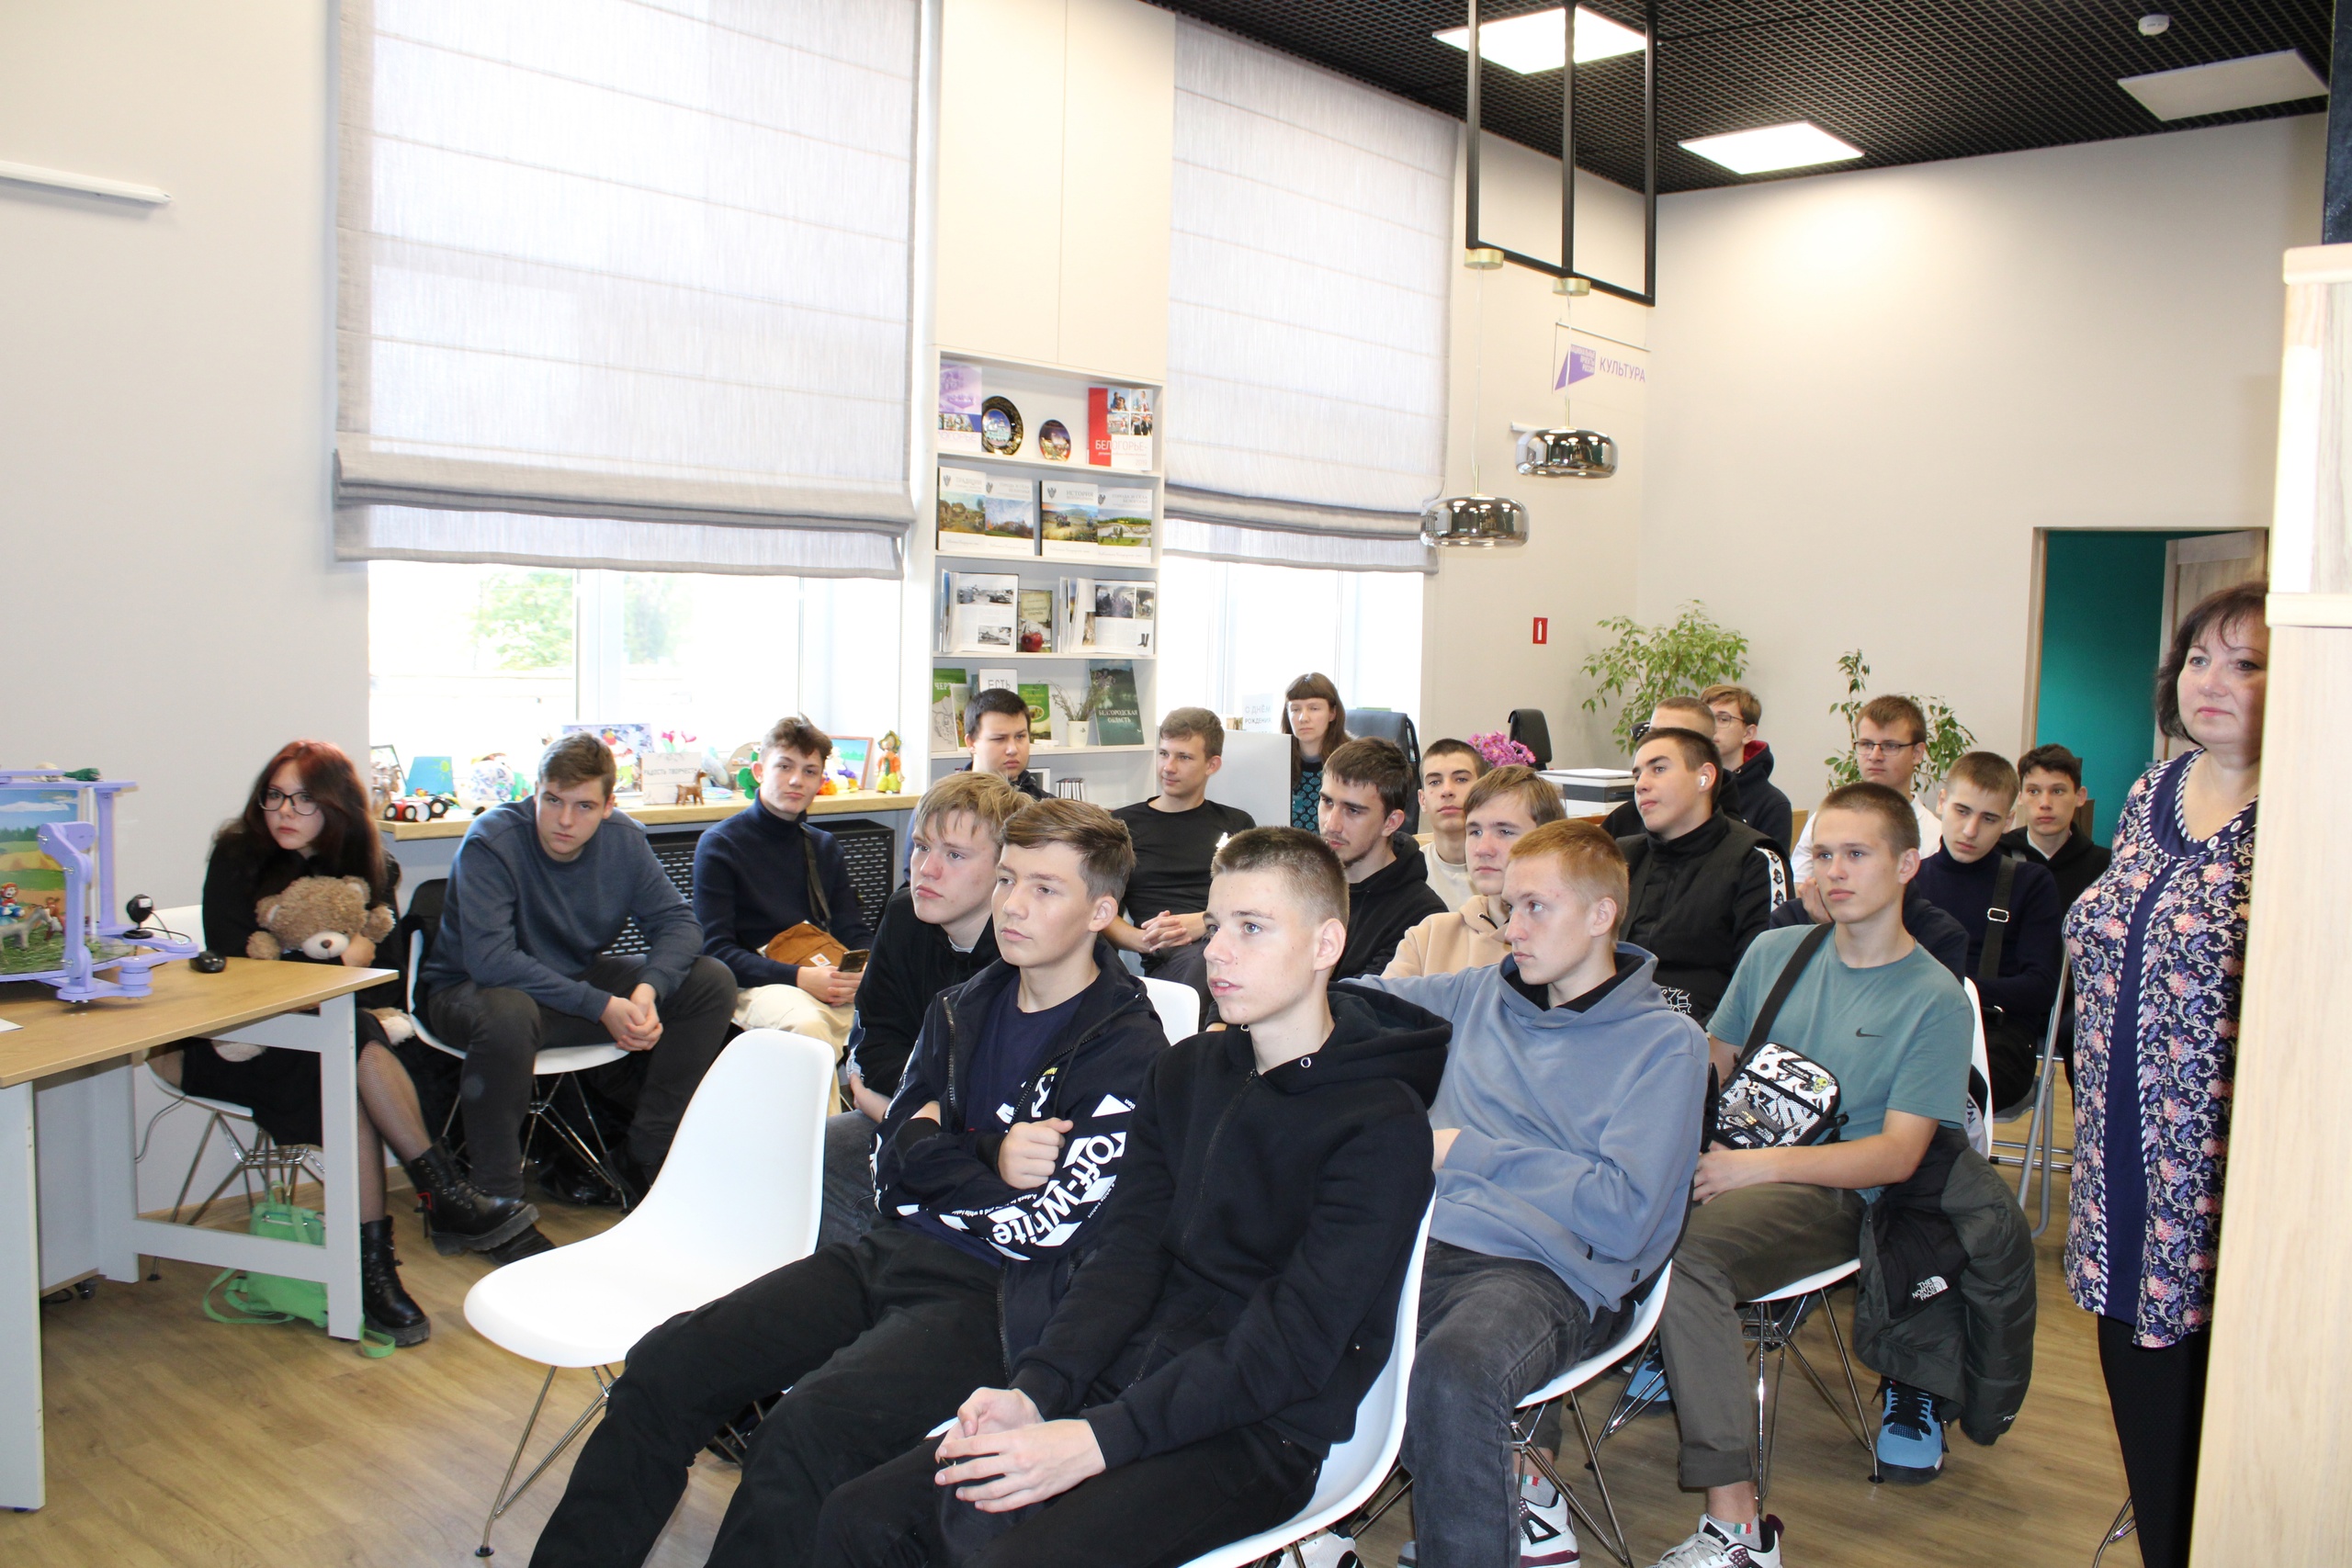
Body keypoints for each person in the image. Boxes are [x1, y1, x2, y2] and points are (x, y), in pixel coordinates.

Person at [527, 798, 1166, 1568]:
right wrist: (989, 1155)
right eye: (1006, 879)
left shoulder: (1127, 1048)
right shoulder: (960, 1007)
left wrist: (936, 1147)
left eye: (1044, 887)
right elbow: (892, 1164)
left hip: (1000, 1299)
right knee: (664, 1365)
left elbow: (1048, 1224)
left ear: (1101, 911)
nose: (1013, 905)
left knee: (802, 1434)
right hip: (891, 1248)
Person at [811, 828, 1444, 1568]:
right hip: (1122, 1379)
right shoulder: (1188, 1071)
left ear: (1325, 943)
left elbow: (1290, 1347)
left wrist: (1096, 1440)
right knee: (862, 1517)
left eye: (1251, 927)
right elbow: (1125, 1256)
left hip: (1256, 1430)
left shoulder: (1380, 1125)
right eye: (1215, 925)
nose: (1217, 951)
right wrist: (1038, 1391)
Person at [1355, 820, 1710, 1568]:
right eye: (1509, 907)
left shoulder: (1666, 1043)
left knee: (1453, 1373)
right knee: (1270, 1308)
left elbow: (1625, 1213)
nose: (1512, 927)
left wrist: (1469, 1151)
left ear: (1601, 913)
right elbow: (1358, 1000)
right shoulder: (1476, 994)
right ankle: (1311, 1527)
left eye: (1535, 907)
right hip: (1422, 1239)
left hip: (1552, 1272)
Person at [1647, 784, 1973, 1568]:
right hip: (1732, 1159)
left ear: (1907, 864)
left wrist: (1752, 1168)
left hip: (1837, 1193)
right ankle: (1531, 1474)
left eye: (1856, 853)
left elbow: (1896, 1155)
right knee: (1580, 1215)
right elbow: (1710, 1067)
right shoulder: (1776, 953)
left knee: (1686, 1259)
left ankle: (1738, 1528)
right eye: (1823, 854)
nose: (1834, 871)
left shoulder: (1935, 998)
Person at [155, 741, 537, 1345]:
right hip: (243, 1043)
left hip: (331, 1042)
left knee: (349, 1052)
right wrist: (335, 964)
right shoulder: (237, 857)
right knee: (352, 1043)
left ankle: (374, 1269)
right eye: (275, 795)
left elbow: (384, 978)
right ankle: (438, 1200)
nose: (286, 810)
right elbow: (239, 971)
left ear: (336, 807)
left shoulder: (371, 867)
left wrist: (329, 972)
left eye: (304, 799)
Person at [2064, 582, 2266, 1568]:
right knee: (2132, 1366)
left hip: (2221, 1167)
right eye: (2198, 658)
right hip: (2116, 1147)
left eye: (2246, 663)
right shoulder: (2155, 791)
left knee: (2208, 1391)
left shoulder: (2310, 810)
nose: (2211, 680)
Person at [418, 734, 736, 1255]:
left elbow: (679, 923)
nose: (564, 820)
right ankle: (495, 1204)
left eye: (584, 806)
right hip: (470, 992)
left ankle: (646, 1154)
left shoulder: (623, 840)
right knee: (508, 1011)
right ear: (535, 792)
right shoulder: (493, 840)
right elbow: (491, 961)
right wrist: (601, 1006)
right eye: (553, 800)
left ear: (609, 806)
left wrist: (647, 990)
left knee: (710, 980)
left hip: (566, 986)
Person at [820, 772, 1022, 1248]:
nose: (926, 869)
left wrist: (898, 1110)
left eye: (954, 855)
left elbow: (1003, 1095)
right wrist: (912, 1113)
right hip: (913, 1121)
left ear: (1004, 869)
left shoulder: (1025, 945)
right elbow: (874, 1046)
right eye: (920, 847)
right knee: (815, 1151)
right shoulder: (904, 915)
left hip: (1001, 1149)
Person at [692, 716, 876, 1052]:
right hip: (754, 983)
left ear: (820, 781)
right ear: (759, 772)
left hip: (822, 973)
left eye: (810, 771)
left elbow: (853, 930)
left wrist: (863, 969)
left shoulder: (824, 847)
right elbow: (715, 952)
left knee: (902, 1005)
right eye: (784, 766)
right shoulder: (720, 846)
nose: (796, 780)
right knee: (808, 1027)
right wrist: (800, 978)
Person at [1912, 751, 2062, 1112]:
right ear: (1942, 802)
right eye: (1962, 811)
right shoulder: (1909, 879)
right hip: (1912, 1030)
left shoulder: (2031, 883)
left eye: (1989, 818)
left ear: (2008, 821)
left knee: (1925, 1082)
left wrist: (1958, 987)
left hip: (1997, 1038)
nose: (1970, 830)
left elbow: (2041, 988)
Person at [1616, 727, 1790, 1020]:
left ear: (1705, 777)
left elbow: (1763, 982)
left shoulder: (1755, 859)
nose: (1641, 785)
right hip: (1615, 1022)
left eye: (1659, 769)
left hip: (1707, 1033)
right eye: (1637, 775)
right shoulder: (1622, 857)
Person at [1105, 706, 1255, 1004]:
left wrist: (1206, 921)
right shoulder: (1122, 825)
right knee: (1206, 963)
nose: (1168, 767)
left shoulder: (1236, 823)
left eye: (1183, 757)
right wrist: (1144, 941)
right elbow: (1100, 908)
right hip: (1168, 955)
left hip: (1229, 938)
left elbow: (1255, 899)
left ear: (1212, 764)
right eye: (1164, 754)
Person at [1386, 765, 1565, 979]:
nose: (1482, 849)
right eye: (1475, 831)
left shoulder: (1567, 941)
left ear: (1547, 841)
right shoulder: (1428, 937)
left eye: (1505, 831)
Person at [1318, 737, 1448, 981]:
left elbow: (1359, 1001)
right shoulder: (1304, 886)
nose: (1331, 824)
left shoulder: (1422, 918)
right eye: (1327, 802)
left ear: (1391, 822)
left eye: (1352, 810)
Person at [1787, 695, 1941, 883]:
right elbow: (1798, 886)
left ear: (1917, 753)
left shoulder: (1935, 837)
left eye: (1890, 746)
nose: (1875, 756)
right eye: (1867, 744)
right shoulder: (1827, 818)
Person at [1602, 696, 1747, 839]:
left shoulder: (1739, 843)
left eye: (1673, 735)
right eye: (1652, 733)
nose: (1655, 743)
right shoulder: (1622, 823)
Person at [2000, 743, 2112, 908]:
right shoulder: (1997, 856)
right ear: (2021, 797)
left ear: (2080, 796)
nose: (2045, 803)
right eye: (2033, 791)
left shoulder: (2106, 868)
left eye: (2057, 791)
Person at [1701, 683, 1792, 852]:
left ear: (1748, 733)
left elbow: (1769, 865)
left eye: (1723, 719)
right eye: (1706, 718)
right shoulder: (1688, 788)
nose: (1711, 727)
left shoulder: (1772, 804)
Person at [1417, 738, 1489, 908]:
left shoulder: (1507, 868)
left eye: (1461, 779)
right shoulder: (1409, 872)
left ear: (1483, 792)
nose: (1447, 791)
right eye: (1435, 782)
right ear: (1422, 800)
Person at [1283, 671, 1347, 831]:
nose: (1303, 718)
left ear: (1332, 713)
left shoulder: (1353, 762)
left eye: (1314, 708)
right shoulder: (1277, 759)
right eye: (1295, 709)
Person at [964, 687, 1046, 800]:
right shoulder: (949, 806)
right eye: (999, 739)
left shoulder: (1048, 807)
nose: (1013, 749)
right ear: (971, 743)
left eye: (1020, 736)